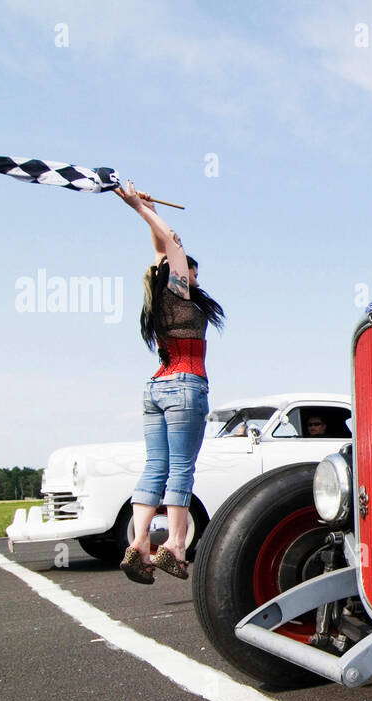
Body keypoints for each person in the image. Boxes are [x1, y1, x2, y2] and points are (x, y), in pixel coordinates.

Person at [113, 180, 225, 583]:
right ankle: (175, 547)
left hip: (155, 388)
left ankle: (139, 542)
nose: (194, 272)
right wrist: (140, 209)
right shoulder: (179, 293)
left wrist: (145, 214)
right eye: (191, 268)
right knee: (181, 469)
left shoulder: (158, 295)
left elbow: (163, 249)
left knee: (154, 467)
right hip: (184, 385)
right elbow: (173, 244)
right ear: (182, 273)